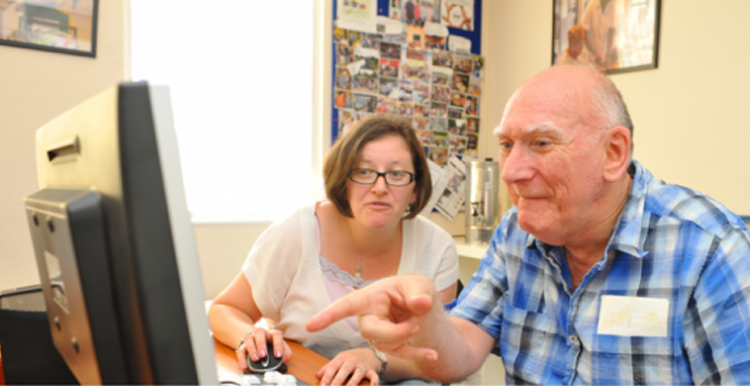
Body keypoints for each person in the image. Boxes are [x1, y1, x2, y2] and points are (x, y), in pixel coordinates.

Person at [307, 64, 750, 385]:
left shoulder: (712, 252)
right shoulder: (516, 233)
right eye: (505, 145)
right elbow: (460, 352)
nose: (512, 171)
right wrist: (425, 325)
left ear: (613, 153)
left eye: (541, 143)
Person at [209, 116, 459, 386]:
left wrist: (375, 358)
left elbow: (442, 359)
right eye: (364, 172)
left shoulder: (438, 247)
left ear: (415, 190)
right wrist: (248, 336)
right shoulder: (297, 231)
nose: (380, 187)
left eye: (397, 174)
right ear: (344, 181)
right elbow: (225, 308)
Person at [581, 0, 617, 69]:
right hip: (591, 54)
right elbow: (584, 34)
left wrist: (607, 55)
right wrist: (595, 54)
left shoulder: (612, 5)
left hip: (603, 54)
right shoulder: (591, 5)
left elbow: (611, 32)